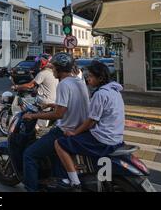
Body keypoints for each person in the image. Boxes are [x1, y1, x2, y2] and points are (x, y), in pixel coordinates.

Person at [20, 52, 90, 192]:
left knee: (29, 154)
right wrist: (51, 105)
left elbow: (59, 114)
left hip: (64, 131)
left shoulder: (64, 84)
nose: (52, 71)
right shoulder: (79, 81)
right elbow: (70, 105)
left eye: (54, 68)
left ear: (59, 69)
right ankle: (57, 181)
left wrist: (33, 116)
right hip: (80, 129)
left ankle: (31, 189)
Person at [53, 60, 125, 190]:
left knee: (60, 143)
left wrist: (74, 132)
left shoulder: (100, 94)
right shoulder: (115, 91)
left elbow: (91, 121)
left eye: (91, 76)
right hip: (117, 137)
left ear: (100, 78)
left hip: (103, 138)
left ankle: (75, 182)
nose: (88, 79)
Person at [16, 54, 58, 128]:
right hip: (55, 101)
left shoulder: (43, 73)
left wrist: (17, 86)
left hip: (45, 101)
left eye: (39, 62)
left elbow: (30, 85)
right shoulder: (55, 74)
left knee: (23, 100)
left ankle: (29, 119)